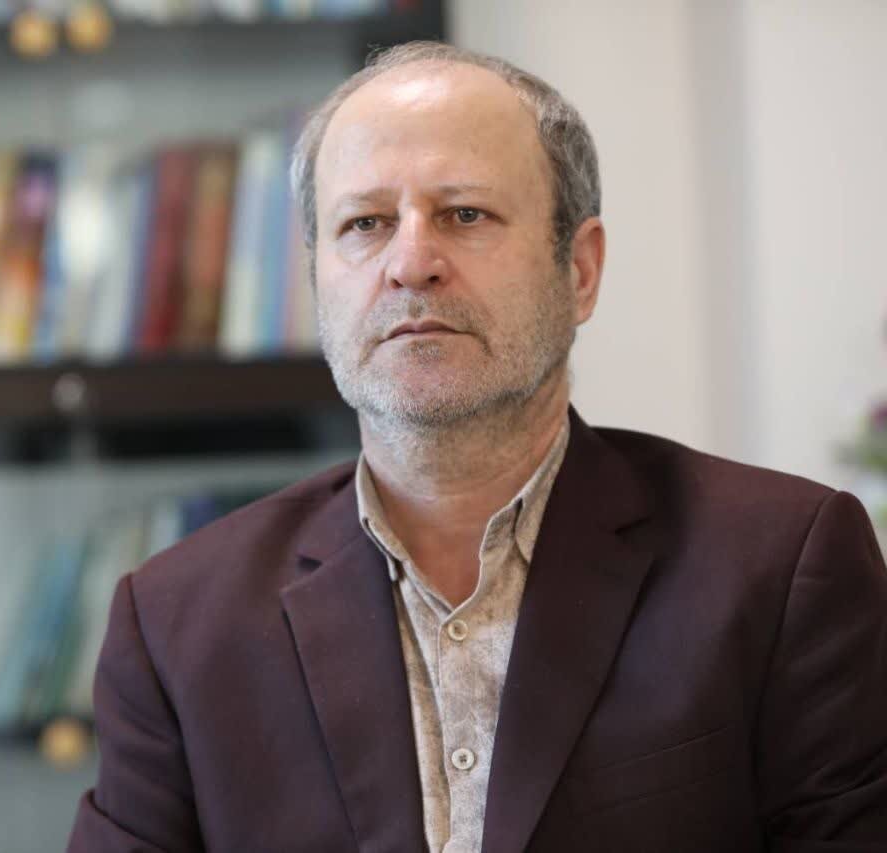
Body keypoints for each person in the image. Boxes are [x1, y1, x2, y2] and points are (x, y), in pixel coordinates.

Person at [67, 42, 887, 852]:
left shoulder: (783, 570)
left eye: (465, 214)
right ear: (318, 282)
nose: (410, 263)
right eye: (365, 223)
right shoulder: (177, 625)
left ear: (581, 271)